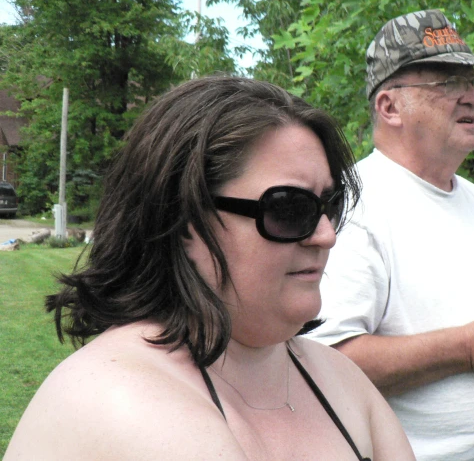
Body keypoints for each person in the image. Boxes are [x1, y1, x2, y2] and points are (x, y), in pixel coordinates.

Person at [4, 76, 415, 461]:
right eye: (291, 209)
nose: (326, 235)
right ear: (185, 220)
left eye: (329, 206)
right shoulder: (118, 395)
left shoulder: (337, 377)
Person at [308, 10, 474, 460]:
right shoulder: (356, 204)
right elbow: (325, 362)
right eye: (446, 83)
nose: (470, 97)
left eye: (471, 82)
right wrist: (470, 348)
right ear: (389, 107)